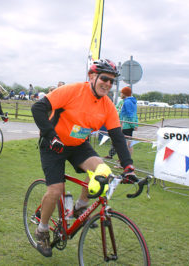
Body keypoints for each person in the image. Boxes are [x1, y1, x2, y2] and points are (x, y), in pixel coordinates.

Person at [31, 59, 137, 257]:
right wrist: (50, 136)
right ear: (92, 76)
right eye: (104, 78)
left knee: (101, 170)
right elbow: (37, 108)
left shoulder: (107, 105)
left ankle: (80, 206)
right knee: (56, 190)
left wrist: (128, 166)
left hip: (78, 145)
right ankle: (42, 230)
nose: (107, 83)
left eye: (111, 81)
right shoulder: (72, 91)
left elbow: (117, 137)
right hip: (54, 144)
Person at [105, 86, 138, 159]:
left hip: (126, 126)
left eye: (121, 93)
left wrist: (133, 125)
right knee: (120, 141)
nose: (120, 94)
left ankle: (124, 161)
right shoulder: (125, 101)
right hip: (123, 125)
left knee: (126, 144)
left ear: (125, 94)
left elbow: (130, 115)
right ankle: (115, 157)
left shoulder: (128, 102)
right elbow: (117, 110)